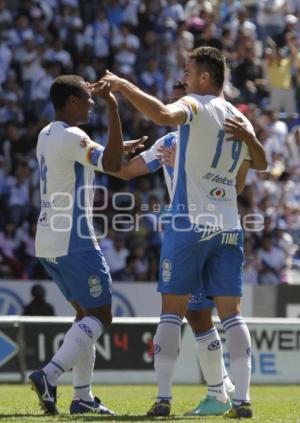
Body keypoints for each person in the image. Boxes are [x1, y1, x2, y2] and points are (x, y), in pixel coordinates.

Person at [99, 46, 268, 419]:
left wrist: (123, 86)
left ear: (203, 78)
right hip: (227, 226)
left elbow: (161, 114)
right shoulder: (241, 122)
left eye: (189, 72)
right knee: (230, 314)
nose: (185, 78)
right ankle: (240, 399)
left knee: (172, 313)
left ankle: (163, 398)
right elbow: (248, 174)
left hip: (187, 223)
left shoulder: (194, 108)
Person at [29, 74, 143, 416]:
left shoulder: (46, 134)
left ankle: (82, 397)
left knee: (85, 316)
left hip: (47, 239)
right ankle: (49, 375)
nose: (92, 102)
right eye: (88, 99)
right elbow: (110, 165)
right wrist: (113, 106)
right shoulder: (74, 135)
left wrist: (119, 147)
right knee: (102, 315)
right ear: (72, 103)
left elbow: (89, 157)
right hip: (74, 238)